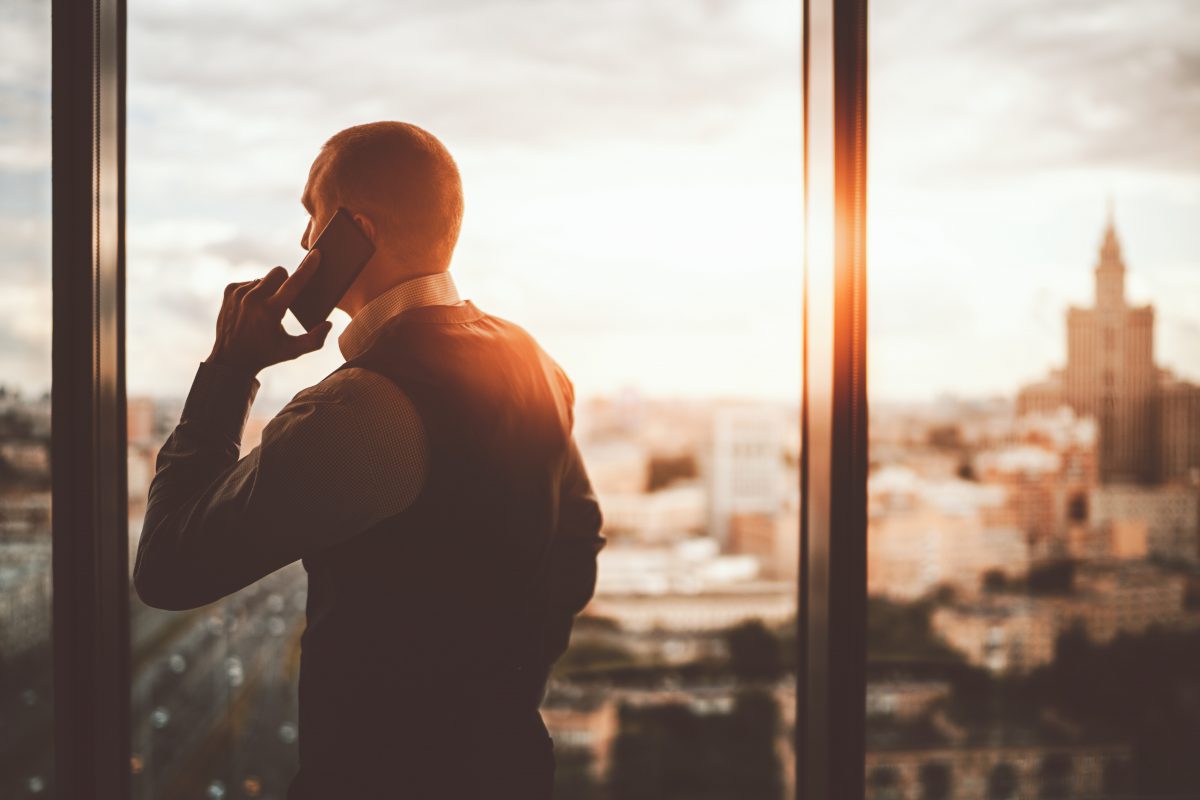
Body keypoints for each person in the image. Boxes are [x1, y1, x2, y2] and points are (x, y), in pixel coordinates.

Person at [134, 121, 605, 798]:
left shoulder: (360, 408)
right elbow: (577, 536)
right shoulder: (533, 359)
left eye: (312, 214)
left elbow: (168, 569)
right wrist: (506, 676)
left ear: (358, 230)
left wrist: (229, 370)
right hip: (513, 766)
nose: (302, 242)